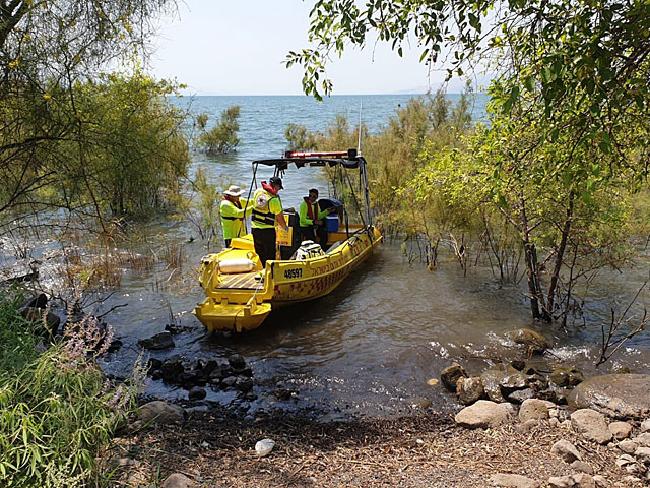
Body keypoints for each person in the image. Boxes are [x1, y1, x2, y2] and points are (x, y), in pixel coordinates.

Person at [251, 176, 287, 266]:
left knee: (260, 253)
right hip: (267, 231)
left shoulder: (257, 192)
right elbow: (279, 218)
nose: (278, 191)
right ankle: (269, 274)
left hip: (255, 229)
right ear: (276, 186)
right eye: (279, 188)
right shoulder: (273, 200)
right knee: (270, 255)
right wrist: (285, 228)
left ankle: (263, 270)